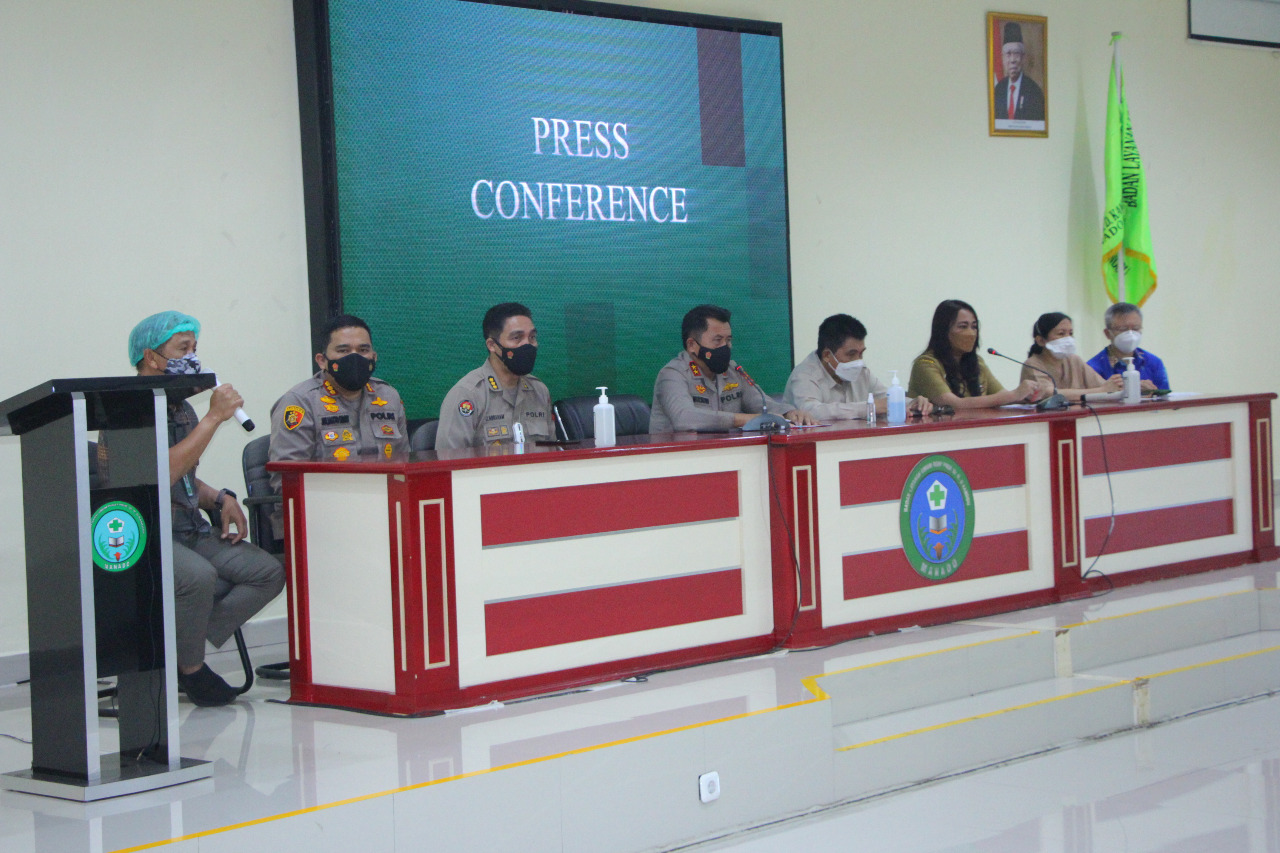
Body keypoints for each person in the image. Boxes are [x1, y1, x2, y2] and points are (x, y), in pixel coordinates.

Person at [120, 311, 284, 707]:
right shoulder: (128, 406)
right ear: (152, 357)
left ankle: (175, 651)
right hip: (146, 530)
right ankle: (192, 670)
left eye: (195, 349)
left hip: (188, 524)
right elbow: (158, 474)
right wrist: (213, 417)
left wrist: (221, 498)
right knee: (199, 577)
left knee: (269, 573)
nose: (192, 358)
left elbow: (186, 477)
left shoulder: (179, 407)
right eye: (182, 349)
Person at [268, 314, 410, 537]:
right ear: (322, 360)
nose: (355, 358)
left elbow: (404, 463)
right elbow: (288, 480)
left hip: (383, 513)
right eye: (343, 351)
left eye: (363, 350)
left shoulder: (388, 397)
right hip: (319, 521)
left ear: (374, 356)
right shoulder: (300, 402)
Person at [649, 304, 816, 433]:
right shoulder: (673, 374)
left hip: (726, 454)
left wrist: (790, 413)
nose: (726, 347)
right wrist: (745, 419)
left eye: (728, 340)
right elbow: (685, 418)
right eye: (717, 340)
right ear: (692, 345)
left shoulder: (732, 371)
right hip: (676, 462)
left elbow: (762, 404)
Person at [436, 302, 553, 449]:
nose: (527, 345)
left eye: (532, 337)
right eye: (517, 338)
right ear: (492, 345)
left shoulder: (539, 391)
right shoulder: (467, 395)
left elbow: (551, 454)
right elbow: (449, 464)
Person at [784, 313, 932, 420]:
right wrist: (868, 408)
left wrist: (912, 403)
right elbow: (811, 411)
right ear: (827, 355)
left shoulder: (861, 372)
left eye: (861, 353)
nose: (858, 361)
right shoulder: (804, 375)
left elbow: (885, 399)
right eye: (851, 354)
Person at [907, 299, 1041, 409]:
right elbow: (955, 404)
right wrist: (1014, 395)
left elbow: (1001, 396)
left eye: (974, 327)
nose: (971, 333)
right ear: (943, 331)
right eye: (963, 326)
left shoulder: (977, 361)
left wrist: (1027, 396)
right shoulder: (926, 364)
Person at [1020, 312, 1122, 402]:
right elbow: (1049, 394)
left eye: (1071, 333)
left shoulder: (1074, 360)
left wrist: (1115, 384)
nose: (1068, 338)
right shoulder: (1032, 364)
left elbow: (1102, 385)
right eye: (1061, 333)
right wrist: (1100, 391)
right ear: (1041, 340)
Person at [1085, 302, 1169, 392]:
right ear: (1107, 333)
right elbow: (1092, 403)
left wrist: (1153, 393)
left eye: (1136, 328)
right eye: (1123, 329)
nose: (1131, 334)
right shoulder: (1093, 368)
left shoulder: (1153, 363)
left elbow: (1166, 399)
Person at [993, 22, 1045, 122]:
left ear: (1022, 57)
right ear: (1002, 58)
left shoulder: (1034, 92)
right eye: (1008, 54)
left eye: (1016, 53)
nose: (1012, 60)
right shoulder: (998, 90)